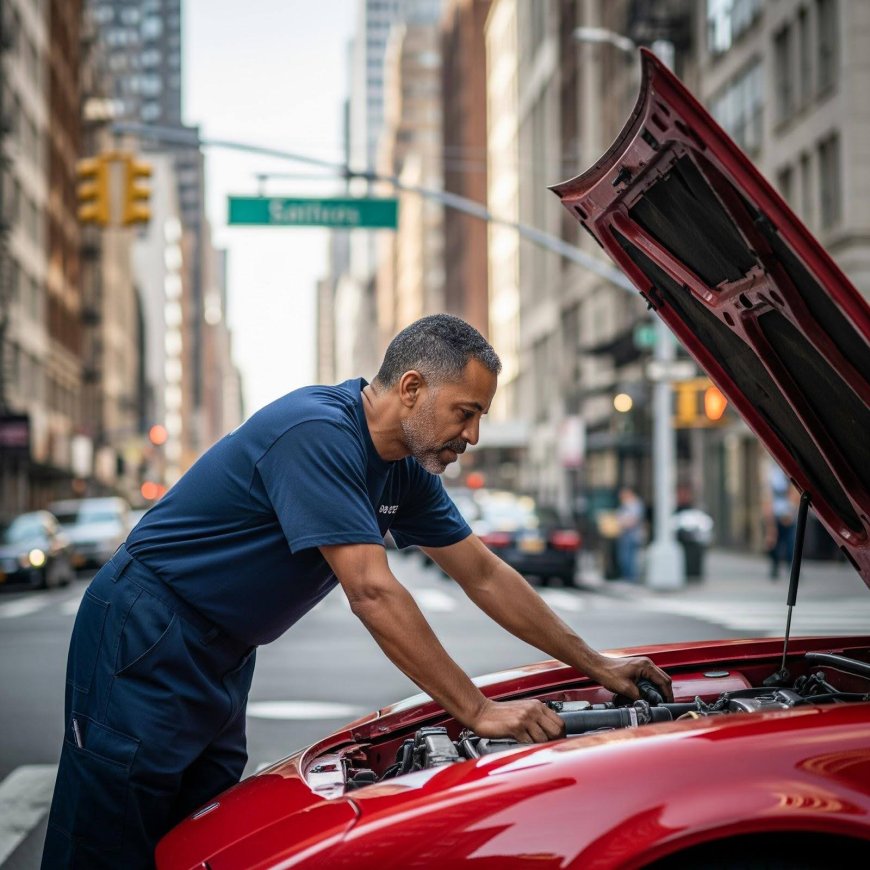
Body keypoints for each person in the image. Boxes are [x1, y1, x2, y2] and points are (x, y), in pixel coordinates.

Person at [42, 314, 671, 868]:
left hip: (223, 651)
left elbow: (483, 574)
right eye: (466, 412)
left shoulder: (406, 470)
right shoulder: (316, 432)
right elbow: (371, 591)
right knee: (110, 839)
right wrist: (477, 711)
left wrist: (596, 664)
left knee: (197, 835)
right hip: (147, 631)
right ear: (413, 388)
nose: (472, 435)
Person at [762, 460, 800, 579]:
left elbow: (795, 494)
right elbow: (767, 496)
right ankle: (775, 566)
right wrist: (770, 520)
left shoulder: (790, 472)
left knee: (791, 544)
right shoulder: (772, 474)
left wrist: (790, 511)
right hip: (775, 514)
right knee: (774, 543)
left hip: (789, 514)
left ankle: (792, 568)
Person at [615, 486, 645, 583]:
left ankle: (631, 577)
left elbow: (633, 520)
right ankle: (627, 576)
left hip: (632, 535)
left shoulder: (635, 504)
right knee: (624, 556)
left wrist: (623, 522)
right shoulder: (625, 505)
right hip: (624, 534)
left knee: (630, 557)